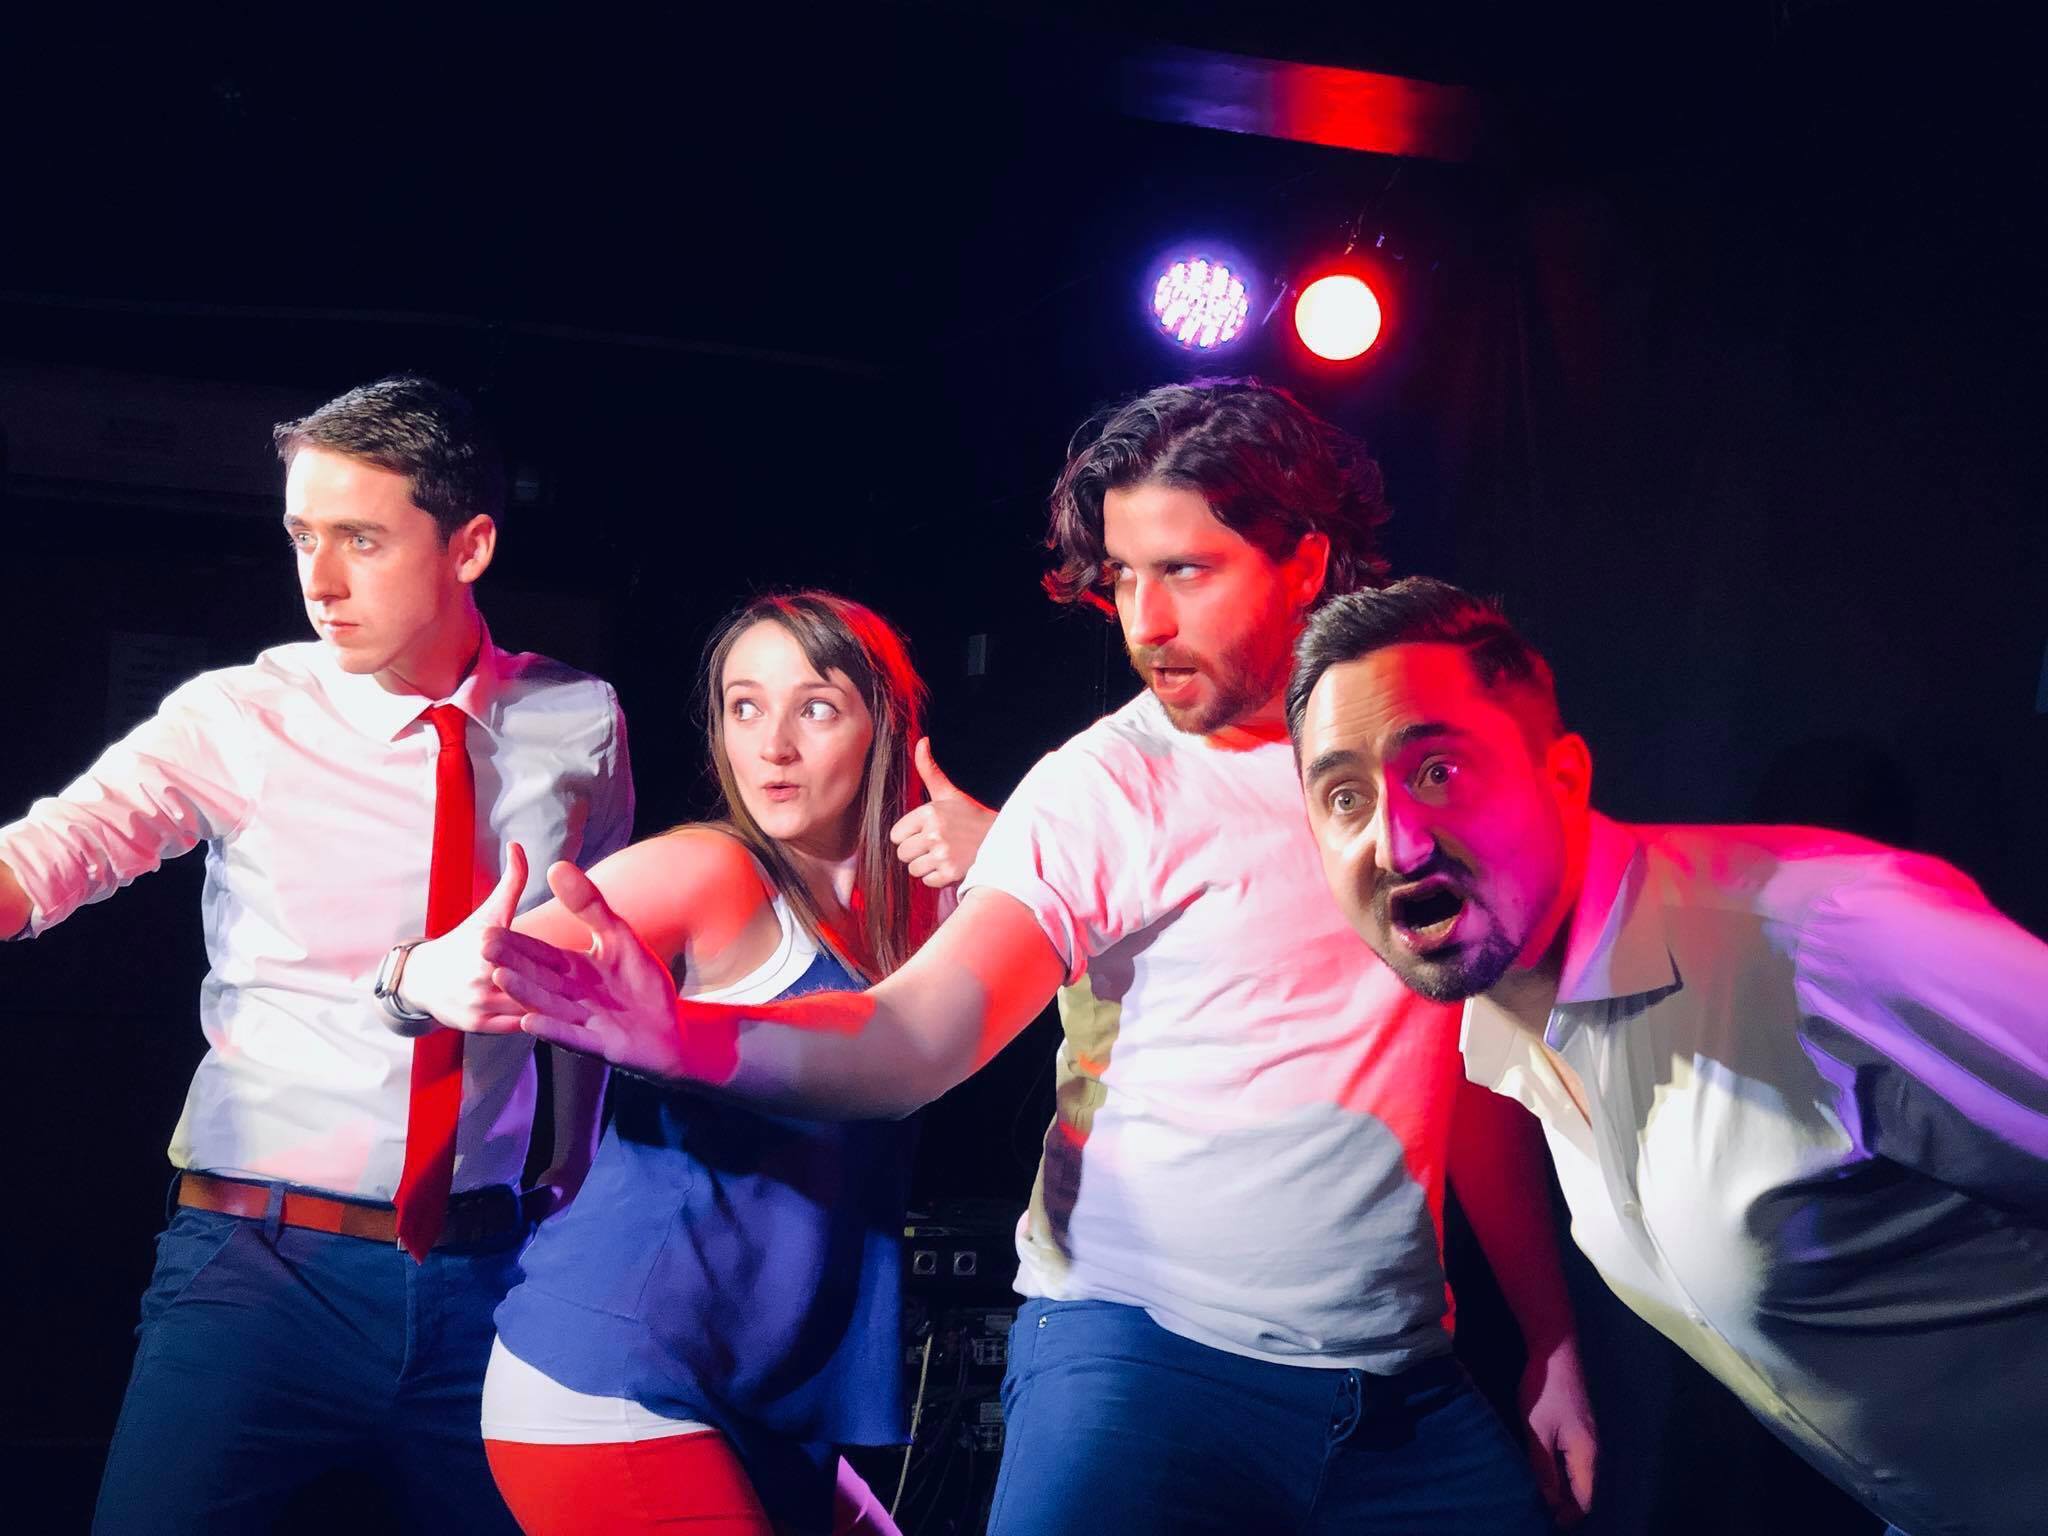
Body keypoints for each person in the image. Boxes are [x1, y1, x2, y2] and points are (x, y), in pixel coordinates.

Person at [472, 381, 1598, 1535]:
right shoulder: (1101, 787)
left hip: (1405, 1391)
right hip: (1145, 1368)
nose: (1143, 621)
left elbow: (1476, 1067)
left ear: (1304, 562)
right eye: (1120, 576)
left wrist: (1549, 1339)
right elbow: (913, 1036)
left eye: (1186, 571)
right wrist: (681, 1036)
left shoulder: (1421, 770)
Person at [0, 376, 634, 1535]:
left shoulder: (578, 717)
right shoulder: (239, 714)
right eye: (301, 535)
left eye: (361, 537)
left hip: (485, 1281)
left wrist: (573, 1151)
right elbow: (53, 853)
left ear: (470, 545)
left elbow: (598, 949)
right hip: (257, 1273)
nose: (319, 579)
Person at [1284, 575, 2048, 1536]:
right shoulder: (1505, 1037)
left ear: (1561, 777)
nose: (1395, 840)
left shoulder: (1827, 945)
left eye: (1437, 770)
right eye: (1344, 796)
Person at [395, 591, 944, 1536]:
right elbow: (499, 956)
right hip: (615, 1379)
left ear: (884, 728)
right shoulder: (714, 873)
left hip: (760, 1397)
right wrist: (421, 974)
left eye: (813, 706)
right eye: (743, 706)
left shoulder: (925, 914)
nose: (771, 744)